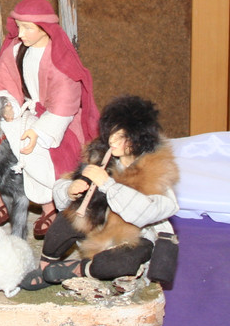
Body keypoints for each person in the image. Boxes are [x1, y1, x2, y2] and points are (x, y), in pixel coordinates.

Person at [20, 95, 179, 290]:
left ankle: (79, 269)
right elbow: (64, 185)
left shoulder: (157, 173)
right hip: (98, 226)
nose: (112, 140)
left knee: (121, 261)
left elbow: (147, 212)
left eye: (121, 137)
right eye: (112, 133)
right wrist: (70, 190)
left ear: (138, 139)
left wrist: (108, 185)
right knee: (65, 222)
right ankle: (46, 266)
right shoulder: (101, 155)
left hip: (135, 237)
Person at [0, 0, 99, 238]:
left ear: (44, 28)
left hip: (55, 121)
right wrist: (6, 105)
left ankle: (50, 207)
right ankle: (4, 200)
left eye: (28, 28)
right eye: (19, 26)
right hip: (23, 111)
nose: (20, 33)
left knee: (47, 154)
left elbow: (65, 101)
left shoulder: (59, 58)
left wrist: (39, 131)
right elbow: (0, 82)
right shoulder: (16, 50)